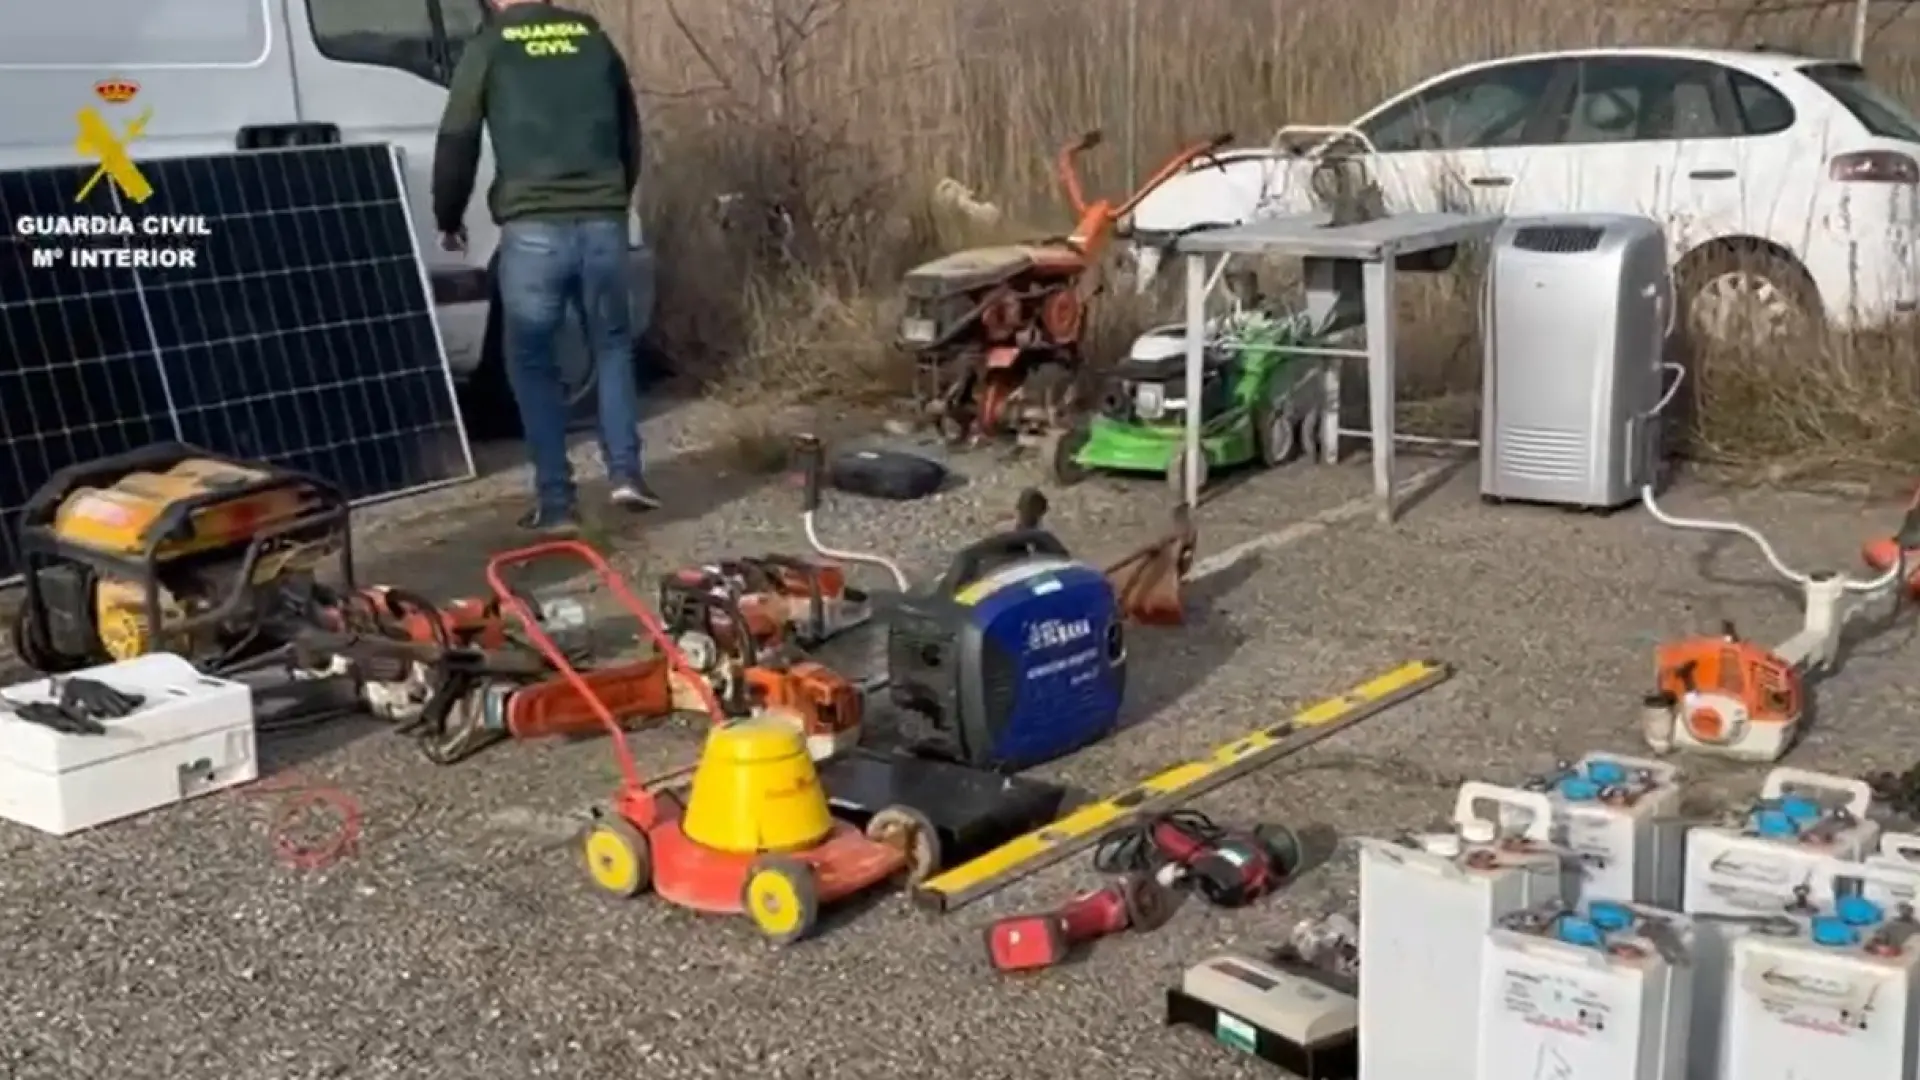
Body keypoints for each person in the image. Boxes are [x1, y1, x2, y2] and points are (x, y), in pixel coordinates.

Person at [431, 0, 657, 531]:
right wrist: (614, 199)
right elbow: (630, 132)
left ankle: (557, 502)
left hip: (534, 231)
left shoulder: (491, 46)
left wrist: (449, 214)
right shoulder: (592, 38)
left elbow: (457, 137)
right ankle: (627, 475)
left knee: (532, 362)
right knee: (612, 345)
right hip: (603, 222)